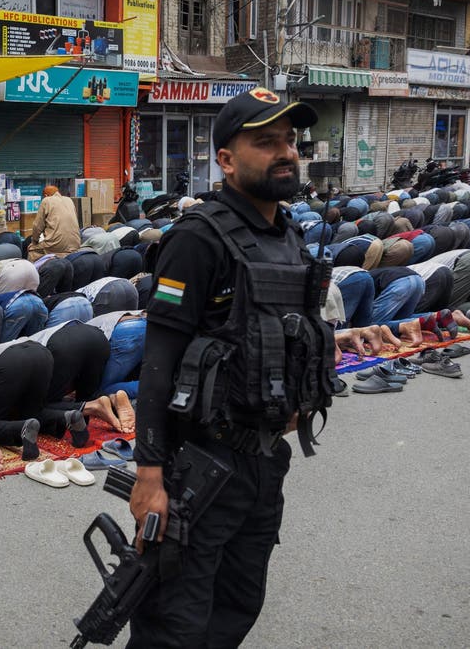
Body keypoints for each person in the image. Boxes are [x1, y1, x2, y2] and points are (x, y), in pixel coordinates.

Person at [126, 88, 331, 646]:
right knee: (175, 624)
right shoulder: (197, 239)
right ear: (225, 159)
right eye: (266, 142)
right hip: (198, 467)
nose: (285, 152)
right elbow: (159, 362)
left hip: (263, 465)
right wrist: (149, 474)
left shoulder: (287, 235)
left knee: (238, 608)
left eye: (289, 140)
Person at [26, 185, 81, 260]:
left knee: (32, 250)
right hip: (75, 244)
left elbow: (37, 226)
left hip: (56, 245)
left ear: (46, 195)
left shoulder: (46, 200)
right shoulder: (69, 200)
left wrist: (34, 241)